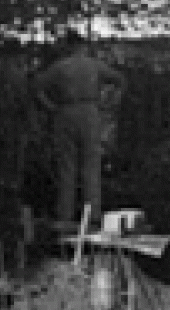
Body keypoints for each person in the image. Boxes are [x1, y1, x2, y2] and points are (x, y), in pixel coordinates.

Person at [34, 33, 120, 227]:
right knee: (91, 165)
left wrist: (50, 106)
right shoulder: (94, 65)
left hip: (65, 110)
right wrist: (109, 102)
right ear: (83, 46)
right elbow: (119, 80)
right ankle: (93, 214)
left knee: (67, 166)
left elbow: (37, 87)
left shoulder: (60, 67)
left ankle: (65, 214)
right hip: (90, 111)